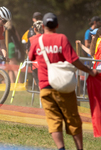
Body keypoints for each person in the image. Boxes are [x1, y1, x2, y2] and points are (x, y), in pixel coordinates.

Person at [29, 12, 98, 150]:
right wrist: (90, 71)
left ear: (43, 26)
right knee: (72, 119)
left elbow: (31, 57)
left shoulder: (37, 41)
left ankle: (61, 148)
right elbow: (74, 60)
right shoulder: (61, 39)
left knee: (53, 121)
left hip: (45, 87)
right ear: (57, 25)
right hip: (63, 86)